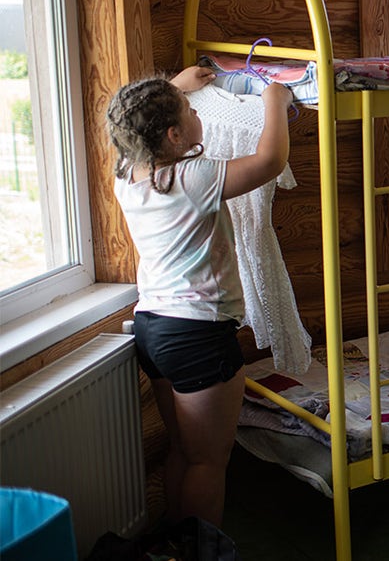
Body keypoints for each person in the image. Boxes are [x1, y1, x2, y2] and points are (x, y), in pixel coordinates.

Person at [107, 66, 292, 528]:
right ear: (173, 134)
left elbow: (136, 117)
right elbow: (269, 161)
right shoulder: (192, 177)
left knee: (184, 452)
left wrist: (176, 86)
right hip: (198, 333)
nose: (195, 110)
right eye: (190, 110)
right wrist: (275, 99)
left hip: (153, 329)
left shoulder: (128, 173)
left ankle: (178, 544)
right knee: (209, 462)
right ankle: (202, 551)